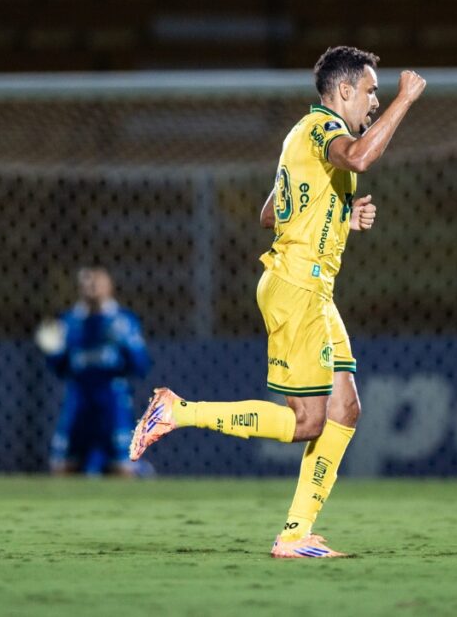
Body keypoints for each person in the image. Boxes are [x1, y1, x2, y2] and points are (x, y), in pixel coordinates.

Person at [130, 46, 426, 556]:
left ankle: (296, 535)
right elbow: (358, 157)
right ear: (344, 91)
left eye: (382, 93)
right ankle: (178, 412)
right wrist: (406, 100)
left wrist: (338, 214)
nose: (376, 101)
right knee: (309, 421)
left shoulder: (301, 135)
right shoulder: (325, 131)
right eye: (372, 91)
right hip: (297, 286)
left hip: (313, 288)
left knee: (346, 408)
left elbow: (272, 212)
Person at [36, 266, 151, 477]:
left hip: (112, 401)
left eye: (97, 281)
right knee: (63, 467)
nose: (92, 287)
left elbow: (141, 366)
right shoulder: (68, 322)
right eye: (87, 282)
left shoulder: (123, 321)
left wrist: (127, 343)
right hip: (79, 399)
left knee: (122, 467)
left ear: (109, 286)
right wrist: (52, 350)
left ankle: (139, 476)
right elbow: (60, 368)